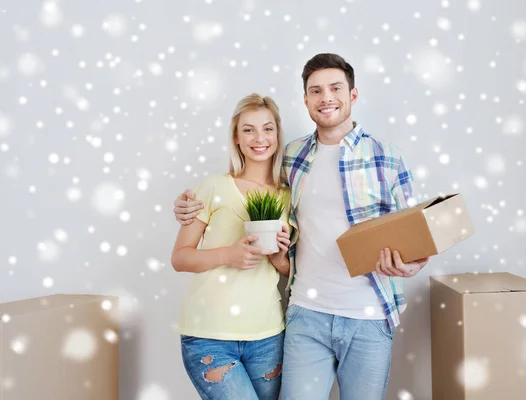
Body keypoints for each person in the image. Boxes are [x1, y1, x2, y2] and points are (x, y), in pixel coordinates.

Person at [173, 54, 429, 400]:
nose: (326, 98)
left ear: (353, 95)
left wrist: (411, 264)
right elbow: (245, 187)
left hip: (368, 315)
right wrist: (187, 206)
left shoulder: (387, 156)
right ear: (305, 100)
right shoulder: (293, 159)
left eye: (336, 88)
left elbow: (417, 236)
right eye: (316, 91)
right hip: (305, 317)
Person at [171, 93, 292, 400]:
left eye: (267, 128)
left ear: (277, 134)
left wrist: (280, 261)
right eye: (248, 129)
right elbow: (180, 258)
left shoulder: (289, 197)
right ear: (236, 137)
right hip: (209, 336)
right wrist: (229, 255)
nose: (259, 138)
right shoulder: (213, 187)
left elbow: (289, 269)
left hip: (268, 335)